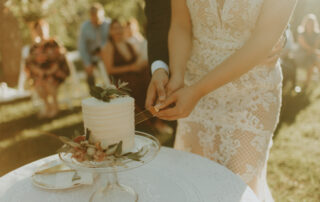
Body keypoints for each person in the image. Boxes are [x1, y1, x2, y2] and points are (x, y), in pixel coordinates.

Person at [146, 0, 297, 201]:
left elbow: (265, 38)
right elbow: (181, 24)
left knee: (238, 186)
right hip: (195, 83)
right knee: (195, 180)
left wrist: (197, 91)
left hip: (251, 91)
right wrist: (177, 78)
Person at [101, 19, 149, 111]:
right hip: (120, 79)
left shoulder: (128, 44)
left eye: (120, 28)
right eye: (115, 28)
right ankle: (150, 118)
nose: (118, 31)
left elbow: (137, 60)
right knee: (137, 84)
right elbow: (109, 70)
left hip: (135, 73)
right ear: (110, 31)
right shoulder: (109, 46)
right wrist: (130, 68)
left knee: (149, 74)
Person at [25, 20, 70, 118]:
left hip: (55, 72)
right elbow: (29, 63)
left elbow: (60, 59)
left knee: (48, 81)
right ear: (35, 32)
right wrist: (39, 72)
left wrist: (49, 71)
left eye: (42, 28)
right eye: (38, 29)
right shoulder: (33, 47)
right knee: (38, 85)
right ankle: (48, 106)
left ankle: (55, 106)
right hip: (40, 74)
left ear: (47, 29)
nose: (40, 31)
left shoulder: (53, 43)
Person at [78, 3, 111, 87]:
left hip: (107, 54)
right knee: (89, 75)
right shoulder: (85, 27)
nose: (97, 20)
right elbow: (82, 46)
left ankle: (112, 88)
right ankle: (94, 92)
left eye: (99, 18)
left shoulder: (109, 24)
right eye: (94, 17)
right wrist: (87, 63)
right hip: (92, 56)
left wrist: (104, 50)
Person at [297, 13, 320, 86]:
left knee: (312, 62)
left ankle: (306, 84)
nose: (310, 25)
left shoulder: (317, 34)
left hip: (312, 55)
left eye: (311, 23)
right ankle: (307, 84)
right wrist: (316, 52)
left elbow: (315, 46)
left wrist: (315, 52)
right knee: (315, 61)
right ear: (305, 23)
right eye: (308, 23)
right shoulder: (301, 33)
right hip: (302, 54)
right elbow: (305, 46)